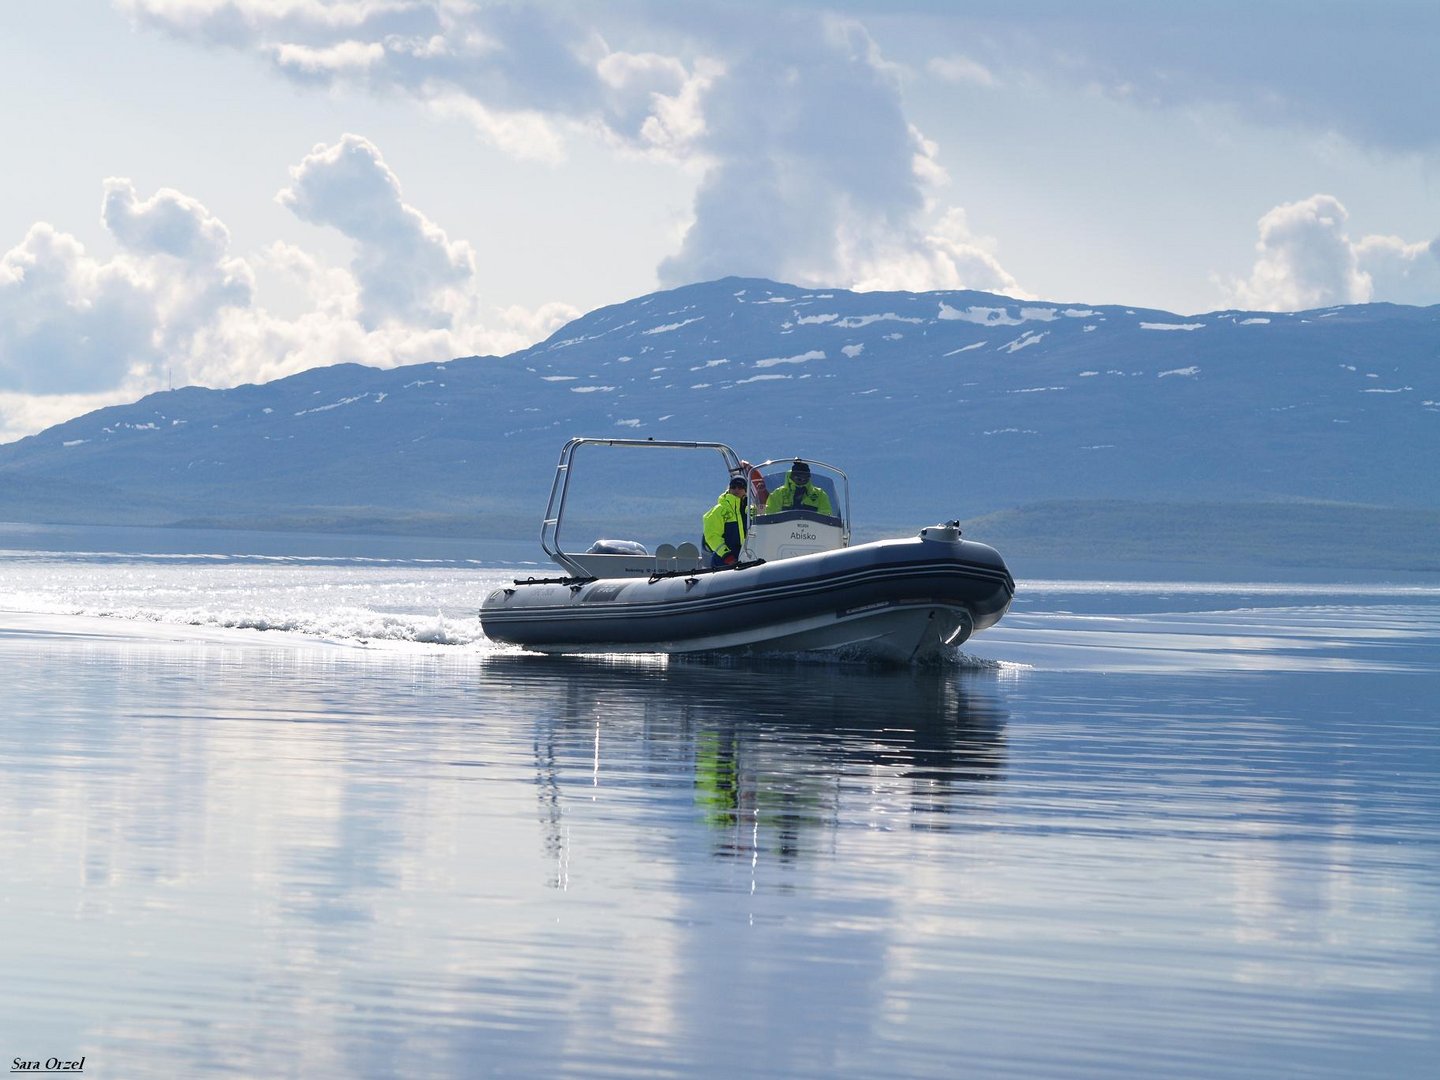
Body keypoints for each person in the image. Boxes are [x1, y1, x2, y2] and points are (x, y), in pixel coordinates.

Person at [702, 473, 748, 567]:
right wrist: (727, 556)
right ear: (729, 489)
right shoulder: (719, 511)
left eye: (740, 487)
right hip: (724, 561)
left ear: (745, 490)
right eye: (733, 487)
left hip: (748, 558)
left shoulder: (750, 510)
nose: (736, 490)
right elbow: (712, 536)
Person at [764, 460, 833, 515]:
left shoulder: (819, 495)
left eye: (805, 478)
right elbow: (770, 514)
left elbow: (826, 515)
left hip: (812, 531)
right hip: (782, 530)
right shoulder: (779, 494)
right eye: (799, 478)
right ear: (791, 477)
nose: (802, 480)